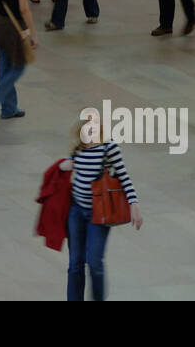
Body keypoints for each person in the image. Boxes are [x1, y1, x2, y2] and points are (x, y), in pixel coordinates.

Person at [61, 113, 142, 301]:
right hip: (76, 212)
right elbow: (67, 169)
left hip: (99, 214)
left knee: (95, 262)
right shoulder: (77, 148)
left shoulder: (109, 148)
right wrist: (63, 166)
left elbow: (123, 176)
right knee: (75, 264)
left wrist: (134, 203)